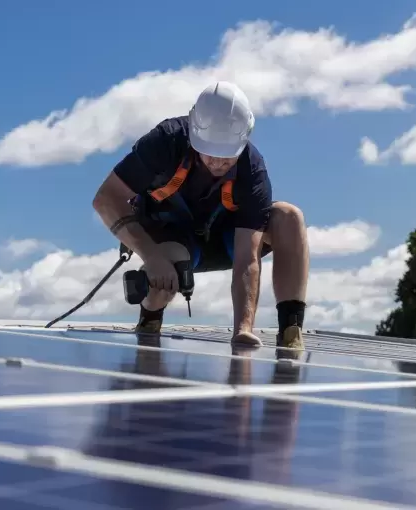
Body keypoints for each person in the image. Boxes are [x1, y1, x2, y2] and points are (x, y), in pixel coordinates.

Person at [93, 81, 309, 351]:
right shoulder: (166, 141)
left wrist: (243, 329)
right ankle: (149, 320)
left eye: (226, 156)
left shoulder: (252, 169)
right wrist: (151, 254)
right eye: (210, 153)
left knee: (289, 217)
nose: (218, 162)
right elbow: (106, 198)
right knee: (169, 262)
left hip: (227, 241)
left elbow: (247, 258)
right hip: (171, 239)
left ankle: (290, 330)